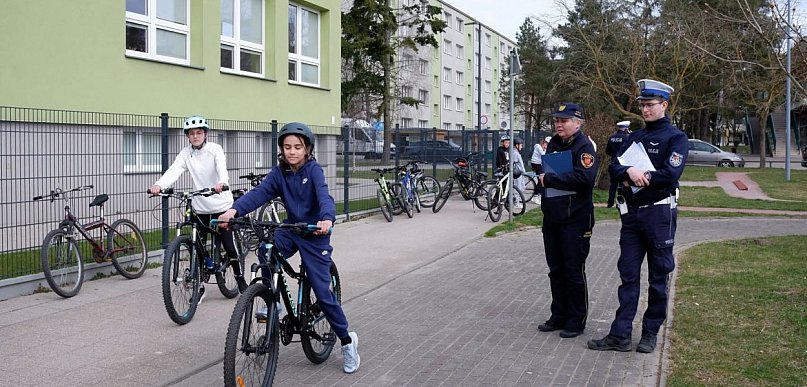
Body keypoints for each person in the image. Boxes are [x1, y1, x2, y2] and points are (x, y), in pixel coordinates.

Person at [217, 122, 360, 373]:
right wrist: (233, 210)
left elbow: (324, 195)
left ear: (307, 149)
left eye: (297, 147)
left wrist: (327, 218)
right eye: (287, 147)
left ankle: (347, 341)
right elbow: (259, 193)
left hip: (314, 232)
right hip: (292, 229)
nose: (292, 151)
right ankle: (272, 298)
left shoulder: (314, 170)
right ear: (281, 150)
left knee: (323, 293)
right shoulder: (279, 173)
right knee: (266, 248)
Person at [588, 79, 687, 354]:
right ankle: (620, 334)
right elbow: (615, 167)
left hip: (659, 215)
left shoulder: (676, 138)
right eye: (642, 105)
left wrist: (644, 175)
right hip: (632, 217)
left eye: (650, 105)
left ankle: (650, 333)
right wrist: (630, 172)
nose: (645, 109)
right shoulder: (635, 137)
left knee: (658, 277)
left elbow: (670, 174)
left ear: (664, 105)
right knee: (628, 275)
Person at [148, 115, 247, 302]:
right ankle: (200, 286)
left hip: (221, 204)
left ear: (205, 134)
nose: (195, 136)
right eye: (191, 133)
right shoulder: (186, 153)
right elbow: (174, 170)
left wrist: (222, 182)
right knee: (198, 247)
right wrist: (159, 185)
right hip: (200, 206)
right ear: (187, 136)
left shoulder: (215, 149)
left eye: (199, 133)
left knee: (228, 244)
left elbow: (221, 167)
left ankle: (239, 278)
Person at [537, 103, 598, 339]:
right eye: (557, 121)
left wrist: (550, 179)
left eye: (564, 120)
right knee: (556, 270)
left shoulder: (584, 146)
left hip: (576, 218)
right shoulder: (554, 143)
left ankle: (576, 319)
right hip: (553, 216)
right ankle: (559, 314)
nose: (559, 125)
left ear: (578, 122)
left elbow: (585, 178)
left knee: (573, 270)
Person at [606, 120, 632, 208]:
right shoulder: (627, 138)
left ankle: (610, 203)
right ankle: (620, 203)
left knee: (613, 185)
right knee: (622, 185)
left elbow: (608, 151)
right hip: (622, 164)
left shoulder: (611, 137)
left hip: (613, 163)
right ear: (626, 128)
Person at [529, 137, 550, 205]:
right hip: (536, 164)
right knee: (541, 179)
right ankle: (535, 196)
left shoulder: (543, 148)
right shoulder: (538, 147)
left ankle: (539, 195)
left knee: (542, 180)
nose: (547, 145)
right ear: (544, 142)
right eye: (546, 143)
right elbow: (544, 155)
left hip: (539, 164)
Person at [512, 137, 526, 209]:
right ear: (516, 145)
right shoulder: (515, 153)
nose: (522, 146)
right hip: (517, 174)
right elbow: (513, 164)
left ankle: (518, 201)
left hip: (520, 173)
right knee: (517, 188)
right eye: (520, 145)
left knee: (521, 187)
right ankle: (516, 203)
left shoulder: (516, 153)